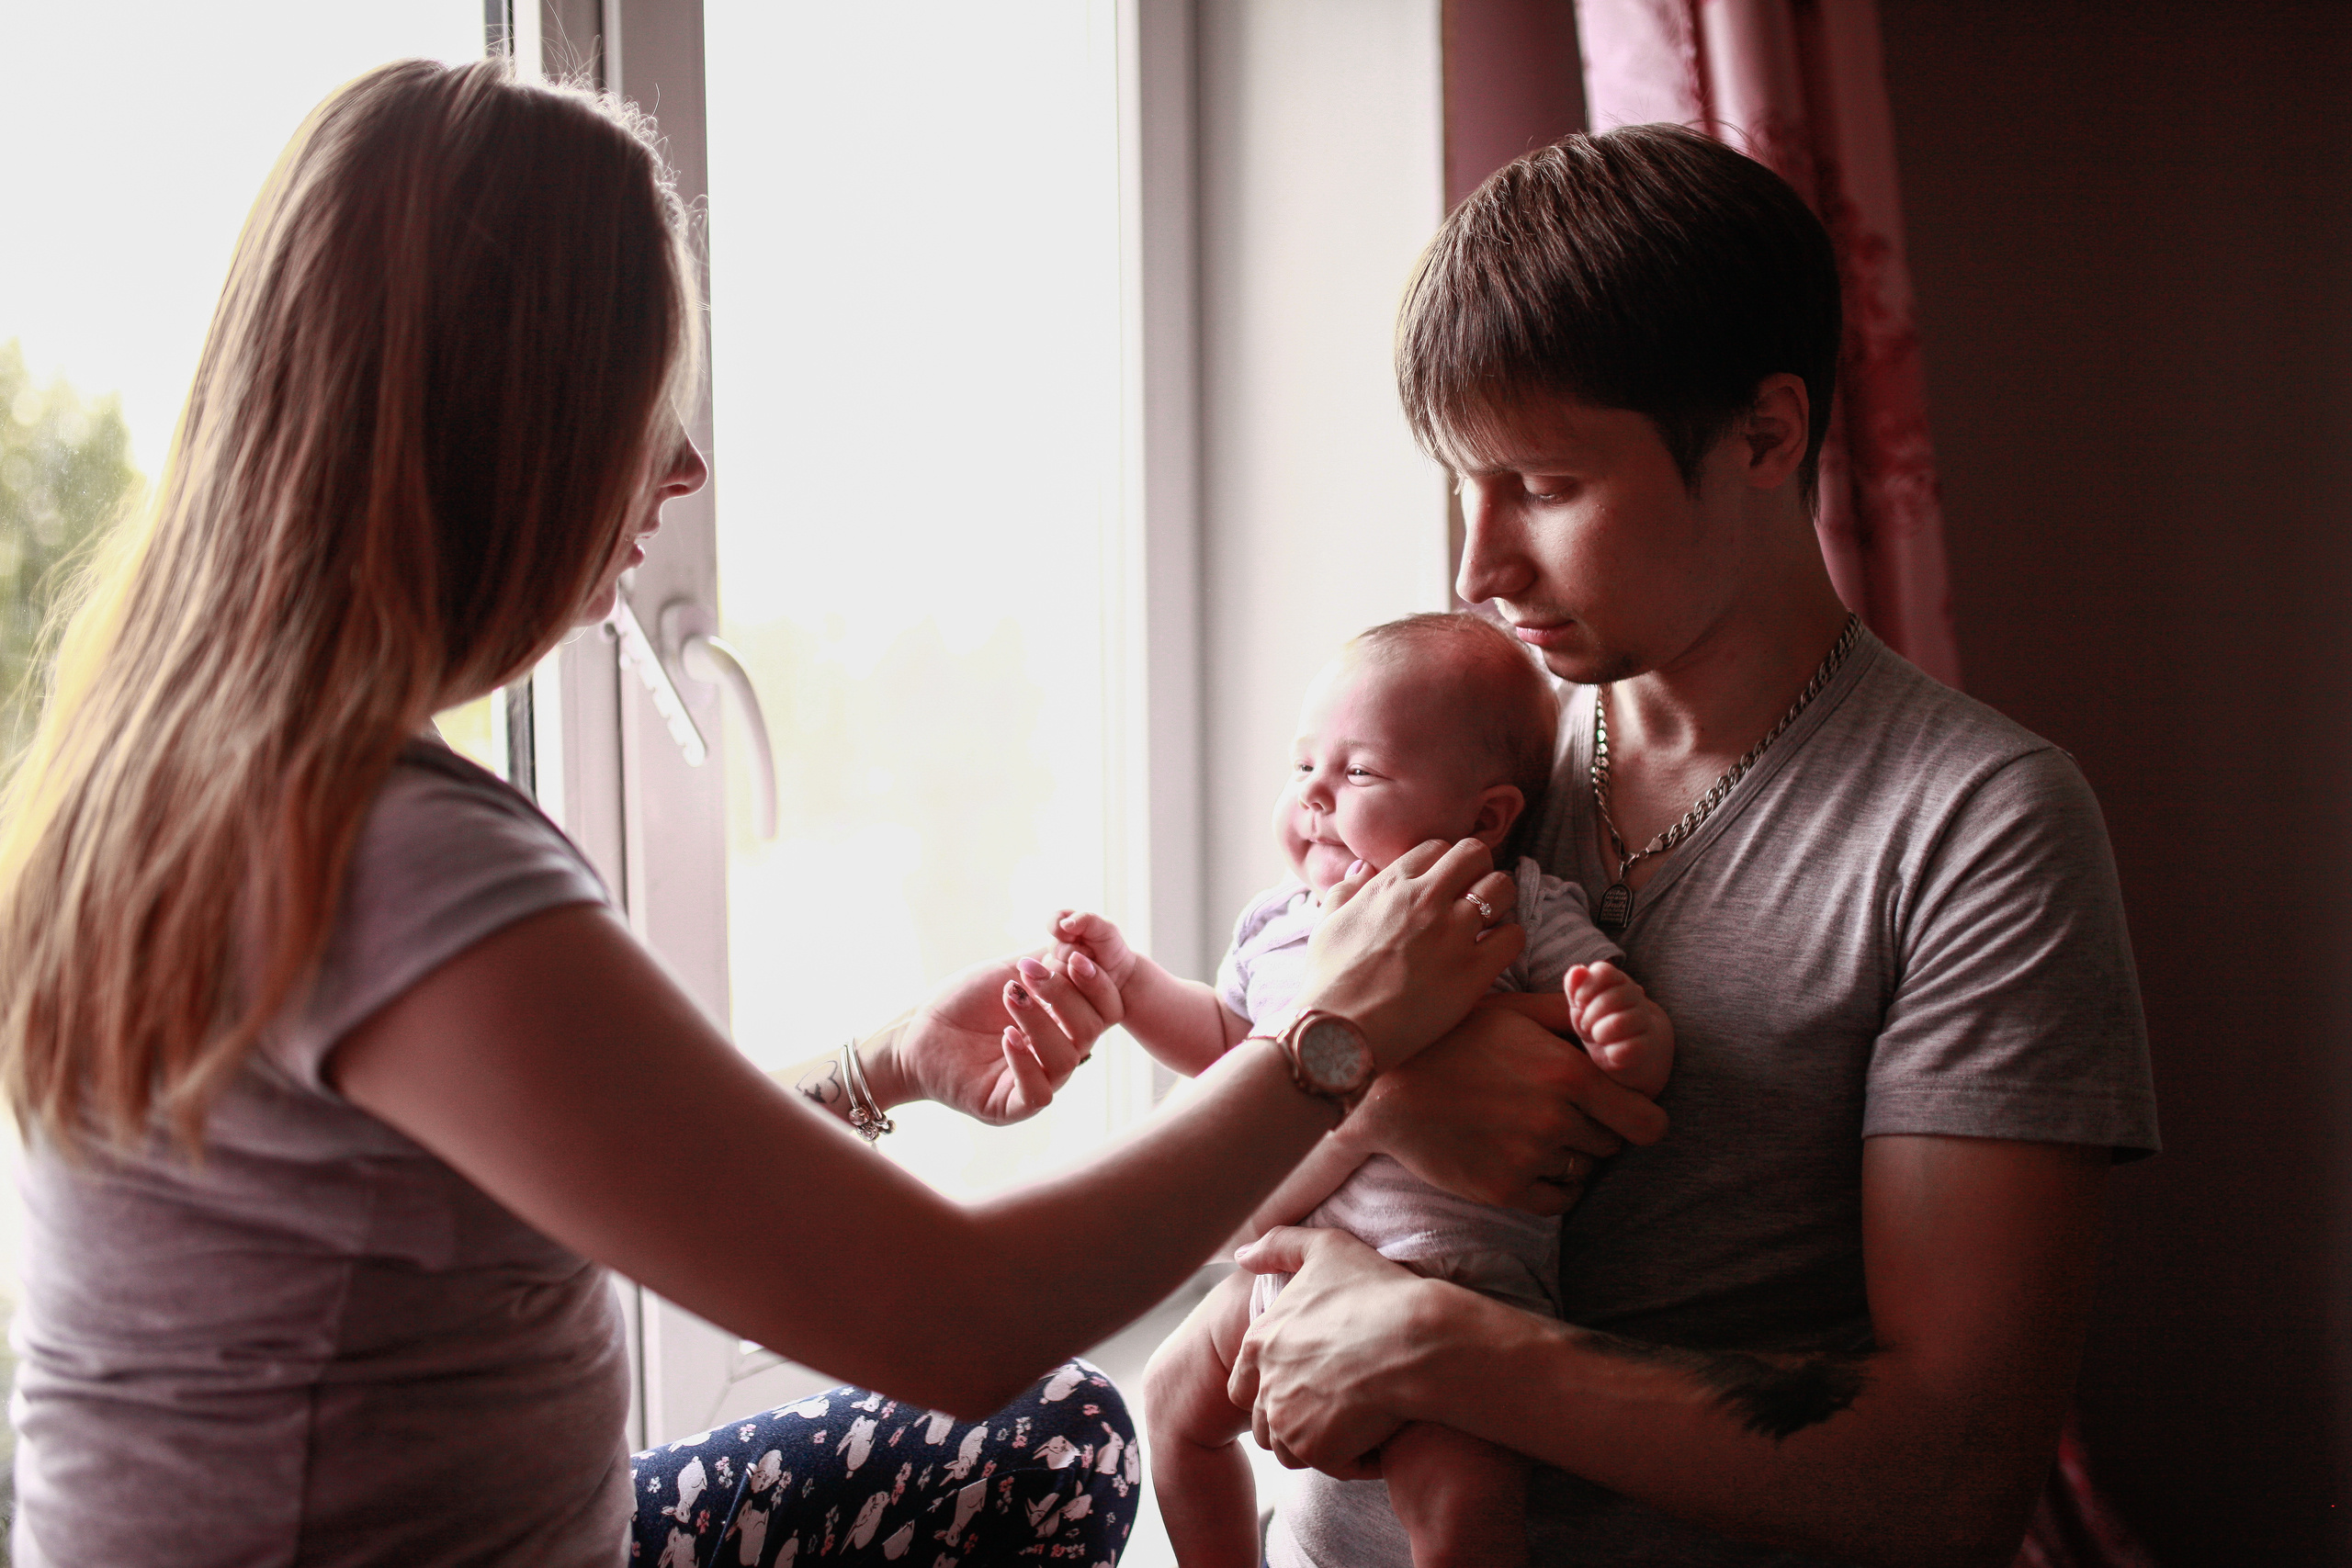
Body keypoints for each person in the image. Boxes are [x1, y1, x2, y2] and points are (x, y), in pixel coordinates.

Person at [0, 60, 1529, 1568]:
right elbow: (962, 1319)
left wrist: (886, 1065)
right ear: (504, 427)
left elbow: (589, 1145)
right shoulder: (386, 854)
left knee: (1055, 1437)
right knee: (1034, 1406)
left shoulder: (198, 771)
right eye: (642, 402)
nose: (683, 466)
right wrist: (1331, 1037)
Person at [1224, 126, 2161, 1568]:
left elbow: (1954, 1474)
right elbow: (1226, 1164)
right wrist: (1374, 1108)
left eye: (1544, 486)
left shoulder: (1977, 828)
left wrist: (1438, 1343)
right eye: (1463, 483)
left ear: (1765, 436)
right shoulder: (1458, 764)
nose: (1478, 567)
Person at [1053, 611, 1674, 1568]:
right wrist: (1134, 988)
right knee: (1171, 1399)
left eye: (1359, 773)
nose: (1314, 794)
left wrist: (1625, 1030)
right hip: (1285, 1267)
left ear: (1484, 818)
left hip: (1449, 1285)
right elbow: (1229, 1048)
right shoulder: (1277, 924)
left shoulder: (1509, 903)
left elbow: (1601, 1025)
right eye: (1304, 765)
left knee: (1461, 1507)